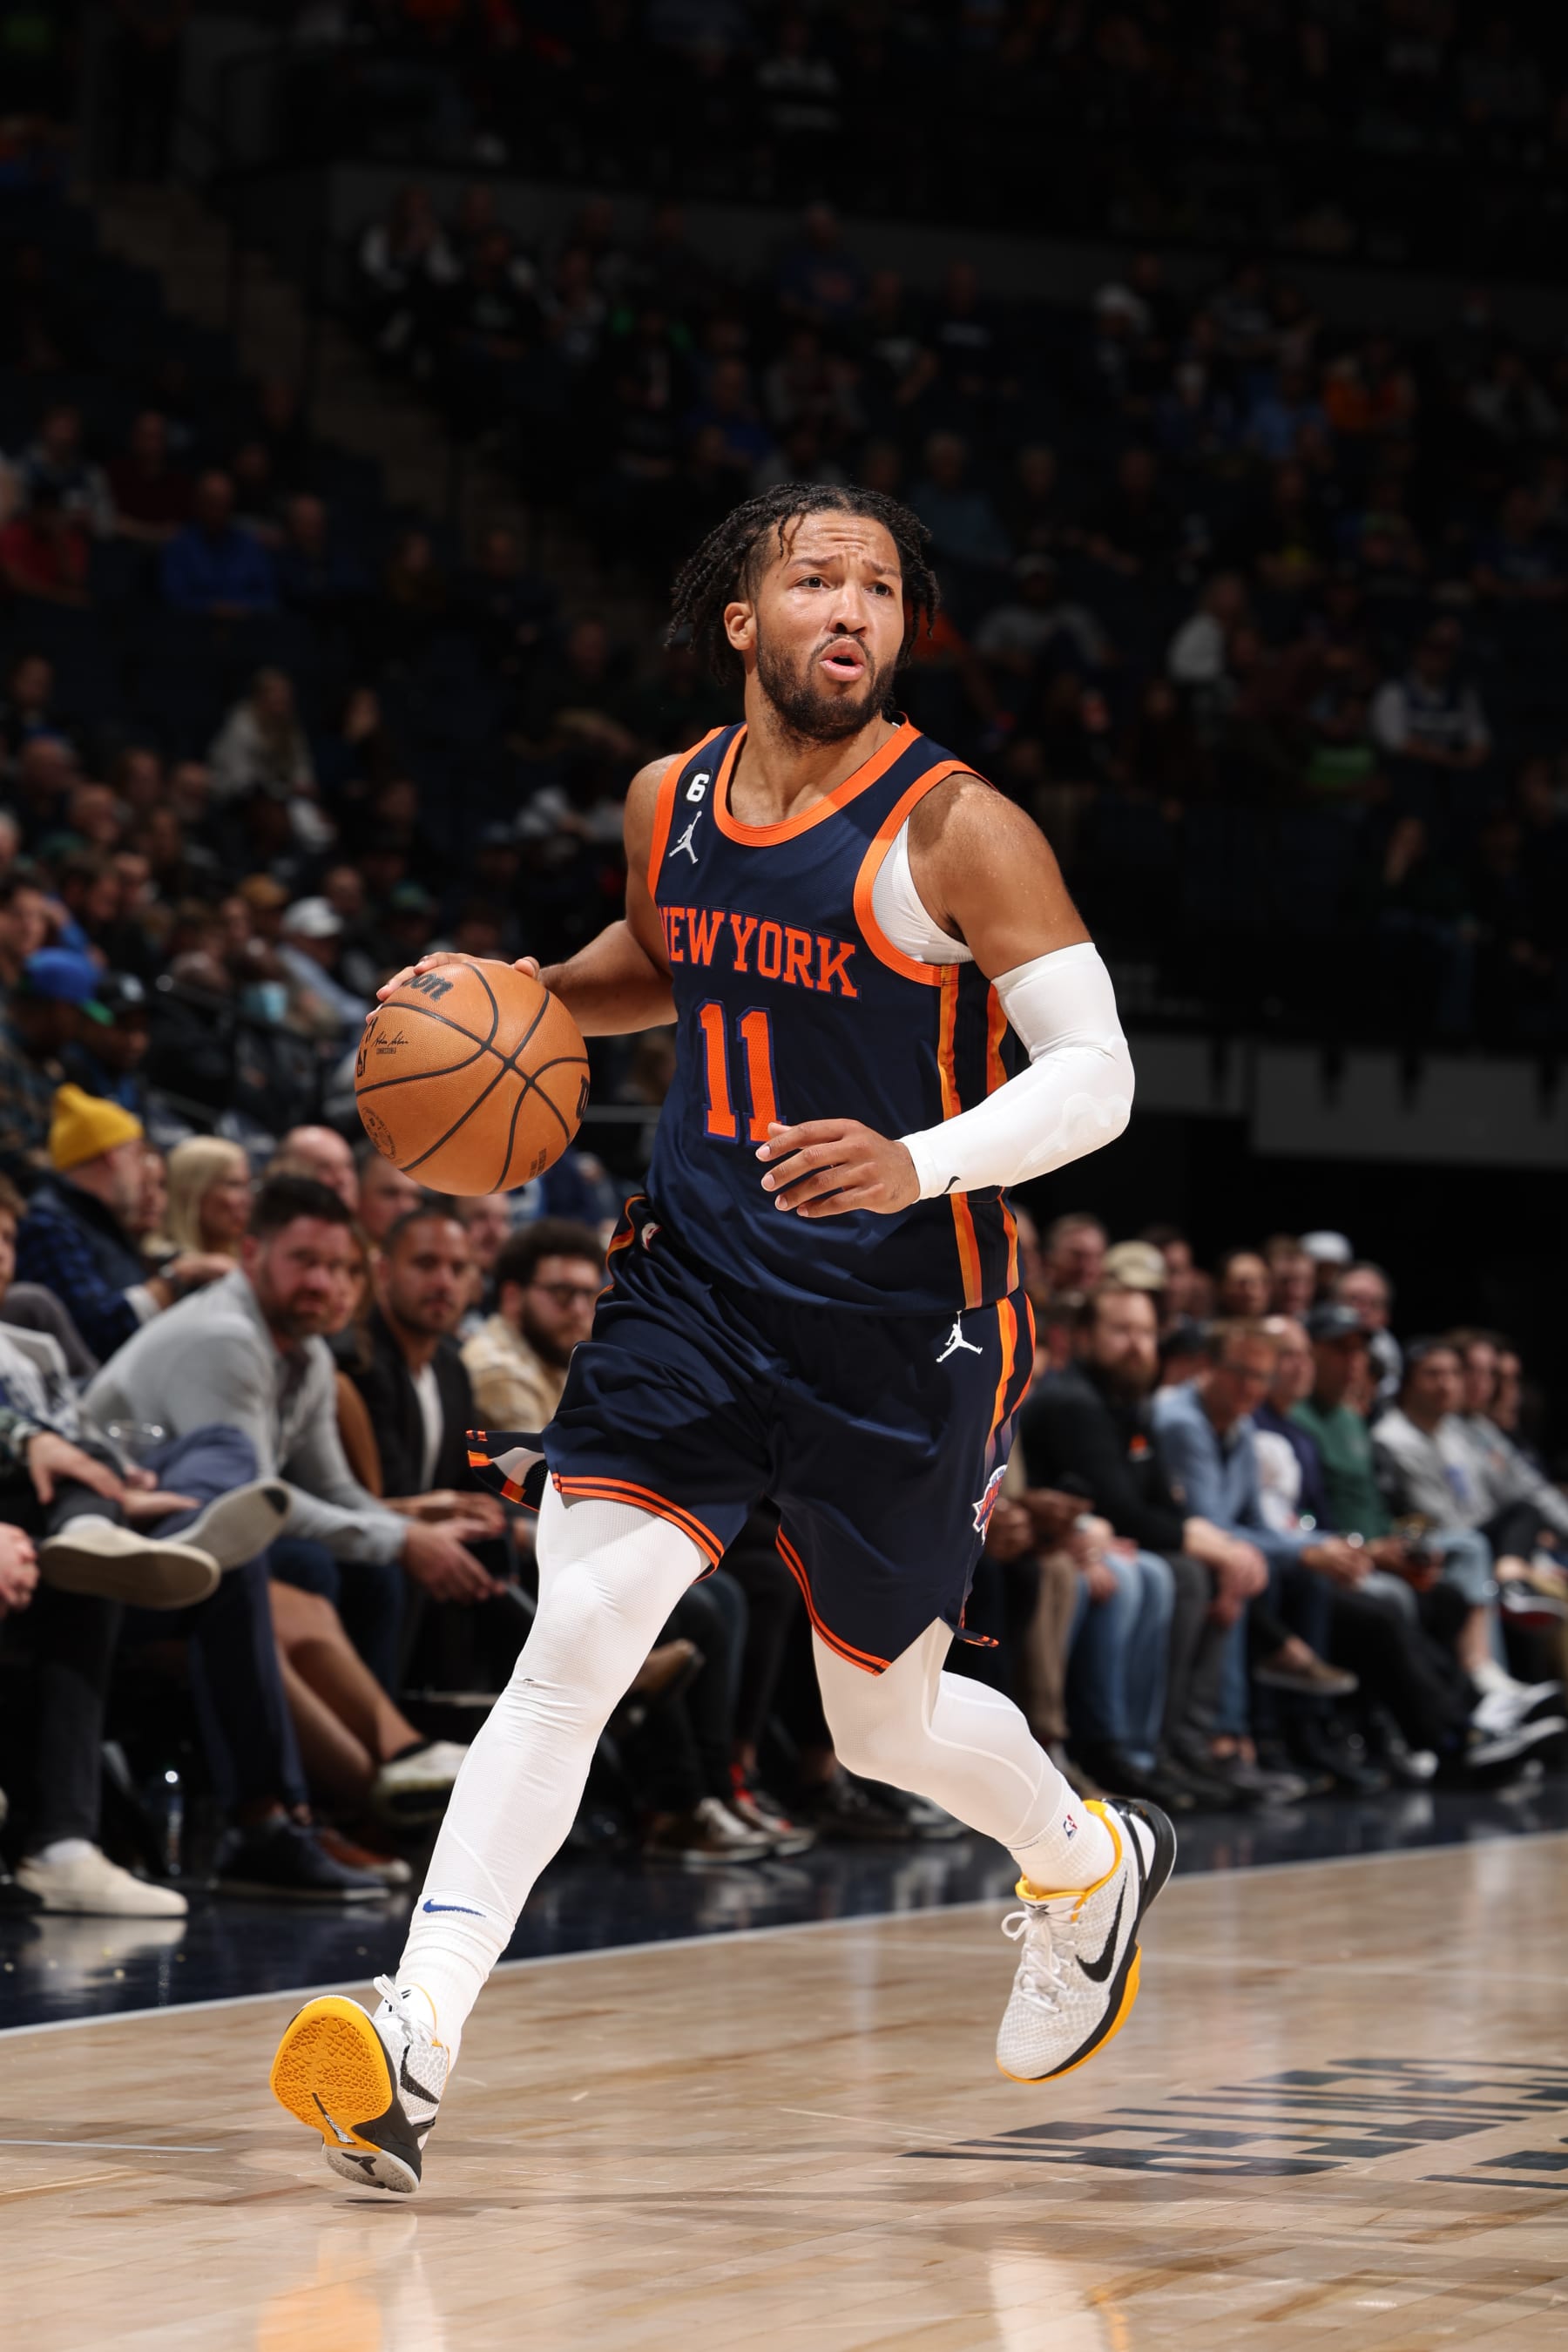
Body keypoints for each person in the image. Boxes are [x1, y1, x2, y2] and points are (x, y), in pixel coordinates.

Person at [270, 479, 1169, 2195]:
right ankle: (413, 2030)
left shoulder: (959, 827)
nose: (854, 608)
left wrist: (918, 1160)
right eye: (816, 579)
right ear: (742, 623)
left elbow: (1101, 1076)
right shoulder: (664, 800)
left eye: (884, 587)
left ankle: (1083, 1857)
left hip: (908, 1323)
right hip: (693, 1281)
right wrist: (526, 1000)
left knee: (880, 1727)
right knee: (576, 1644)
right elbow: (673, 958)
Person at [84, 1178, 499, 1695]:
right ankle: (339, 1763)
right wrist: (400, 1538)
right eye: (304, 1260)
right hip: (128, 1534)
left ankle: (393, 1745)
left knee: (381, 1570)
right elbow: (253, 1499)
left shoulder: (309, 1348)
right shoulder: (226, 1338)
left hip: (204, 1524)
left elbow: (334, 1489)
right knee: (315, 1563)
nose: (324, 1284)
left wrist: (410, 1538)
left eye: (338, 1268)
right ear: (252, 1253)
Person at [15, 1087, 233, 1359]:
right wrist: (179, 1276)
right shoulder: (49, 1226)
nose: (144, 1174)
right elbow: (94, 1334)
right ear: (114, 1157)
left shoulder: (96, 1221)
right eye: (138, 1156)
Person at [462, 1217, 603, 1432]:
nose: (579, 1309)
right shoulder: (500, 1372)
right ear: (513, 1298)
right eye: (563, 1293)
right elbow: (541, 1466)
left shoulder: (552, 1352)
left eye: (589, 1295)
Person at [164, 1135, 253, 1260]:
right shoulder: (159, 1266)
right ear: (192, 1191)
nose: (248, 1201)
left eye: (247, 1186)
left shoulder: (248, 1262)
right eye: (233, 1185)